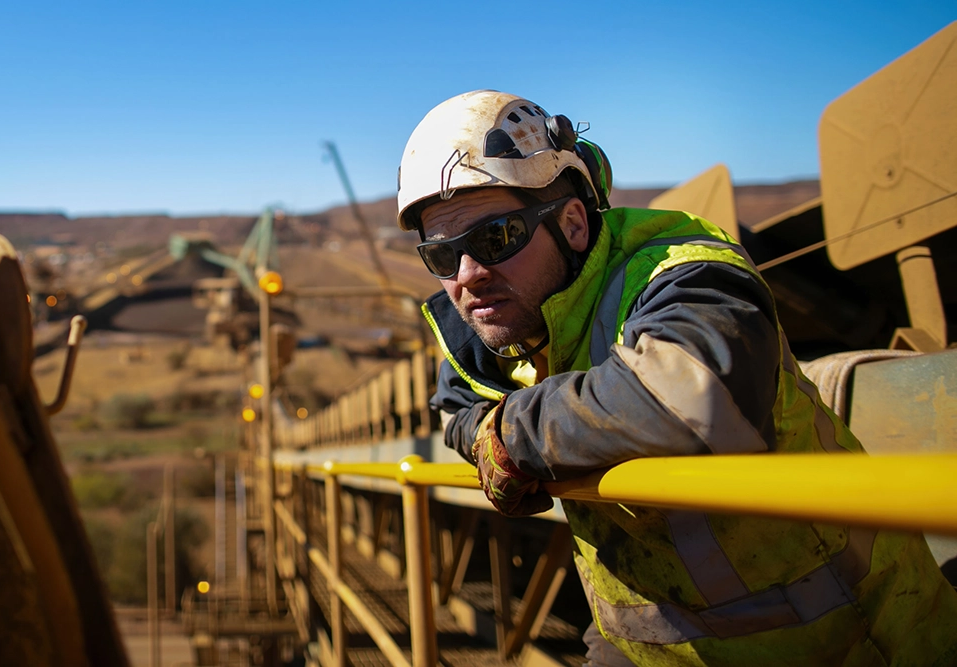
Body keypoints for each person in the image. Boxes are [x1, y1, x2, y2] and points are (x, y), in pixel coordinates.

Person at [395, 90, 957, 666]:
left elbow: (694, 395)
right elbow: (457, 408)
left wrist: (515, 433)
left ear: (572, 224)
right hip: (641, 645)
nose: (468, 274)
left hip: (848, 639)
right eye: (441, 255)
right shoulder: (500, 324)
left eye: (495, 239)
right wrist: (489, 431)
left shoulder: (677, 270)